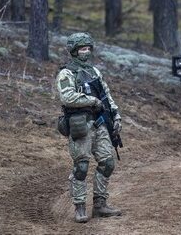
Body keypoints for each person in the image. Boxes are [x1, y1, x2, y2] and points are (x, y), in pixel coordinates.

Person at [56, 32, 123, 223]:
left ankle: (100, 204)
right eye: (82, 49)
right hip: (80, 124)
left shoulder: (95, 72)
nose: (86, 52)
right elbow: (67, 97)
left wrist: (115, 115)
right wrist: (91, 100)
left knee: (108, 162)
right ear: (74, 51)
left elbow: (106, 95)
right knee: (81, 167)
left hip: (100, 122)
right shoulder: (66, 73)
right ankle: (79, 207)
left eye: (88, 48)